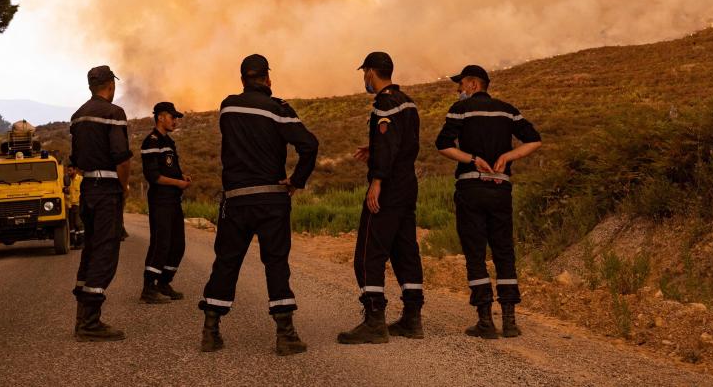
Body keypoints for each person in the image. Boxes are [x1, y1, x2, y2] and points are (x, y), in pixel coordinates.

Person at [198, 54, 318, 356]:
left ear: (242, 80)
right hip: (271, 198)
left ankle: (210, 331)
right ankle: (285, 335)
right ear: (267, 78)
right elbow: (310, 144)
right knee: (276, 263)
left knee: (226, 262)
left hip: (236, 200)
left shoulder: (228, 106)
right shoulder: (278, 109)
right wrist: (296, 181)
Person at [435, 64, 542, 339]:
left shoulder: (460, 109)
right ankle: (509, 321)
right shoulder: (507, 110)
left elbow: (443, 144)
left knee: (475, 253)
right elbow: (534, 140)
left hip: (471, 187)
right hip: (500, 188)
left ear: (473, 84)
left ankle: (485, 321)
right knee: (504, 251)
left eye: (461, 85)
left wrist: (472, 159)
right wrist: (507, 157)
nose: (458, 90)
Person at [337, 51, 424, 344]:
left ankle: (374, 321)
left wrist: (377, 182)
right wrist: (374, 148)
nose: (364, 79)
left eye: (365, 73)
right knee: (405, 250)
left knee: (368, 253)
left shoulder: (384, 104)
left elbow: (388, 145)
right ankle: (412, 318)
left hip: (389, 188)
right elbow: (403, 143)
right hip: (407, 185)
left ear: (371, 72)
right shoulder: (407, 102)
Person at [69, 65, 132, 342]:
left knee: (90, 250)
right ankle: (90, 323)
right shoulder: (113, 113)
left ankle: (82, 316)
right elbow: (122, 158)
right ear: (110, 85)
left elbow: (75, 159)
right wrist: (123, 187)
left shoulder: (78, 116)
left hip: (87, 190)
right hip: (107, 190)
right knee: (105, 252)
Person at [139, 101, 190, 303]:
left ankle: (164, 282)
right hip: (160, 200)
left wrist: (182, 177)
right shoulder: (151, 142)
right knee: (161, 243)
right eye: (172, 117)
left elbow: (170, 169)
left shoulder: (169, 141)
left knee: (178, 244)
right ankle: (148, 288)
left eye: (176, 117)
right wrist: (178, 183)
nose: (175, 121)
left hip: (173, 200)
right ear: (160, 117)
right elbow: (153, 176)